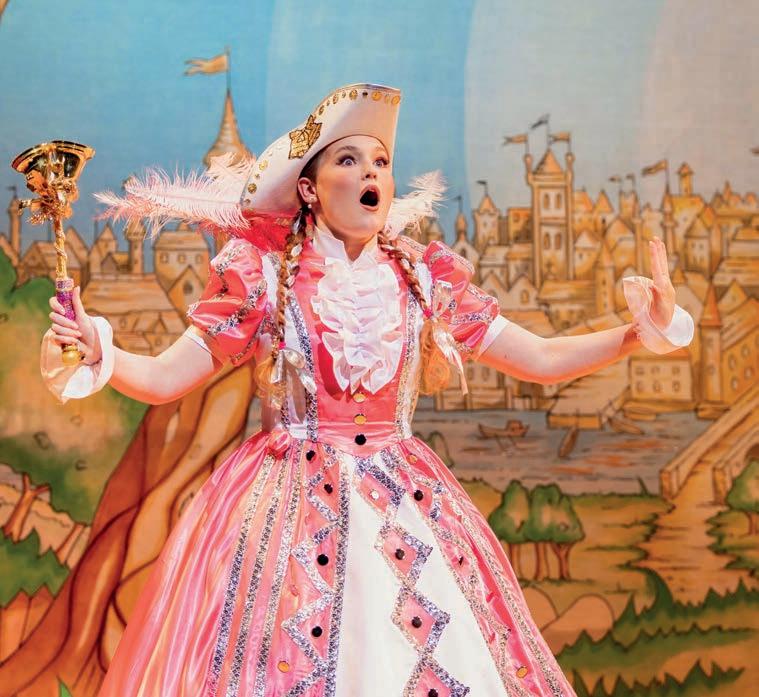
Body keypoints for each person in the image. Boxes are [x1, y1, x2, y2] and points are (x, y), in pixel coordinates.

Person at [43, 83, 693, 696]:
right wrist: (102, 349)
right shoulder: (262, 276)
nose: (369, 174)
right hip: (290, 509)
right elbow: (165, 379)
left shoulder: (423, 276)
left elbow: (540, 357)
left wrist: (636, 334)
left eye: (380, 162)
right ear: (310, 188)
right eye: (348, 160)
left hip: (404, 501)